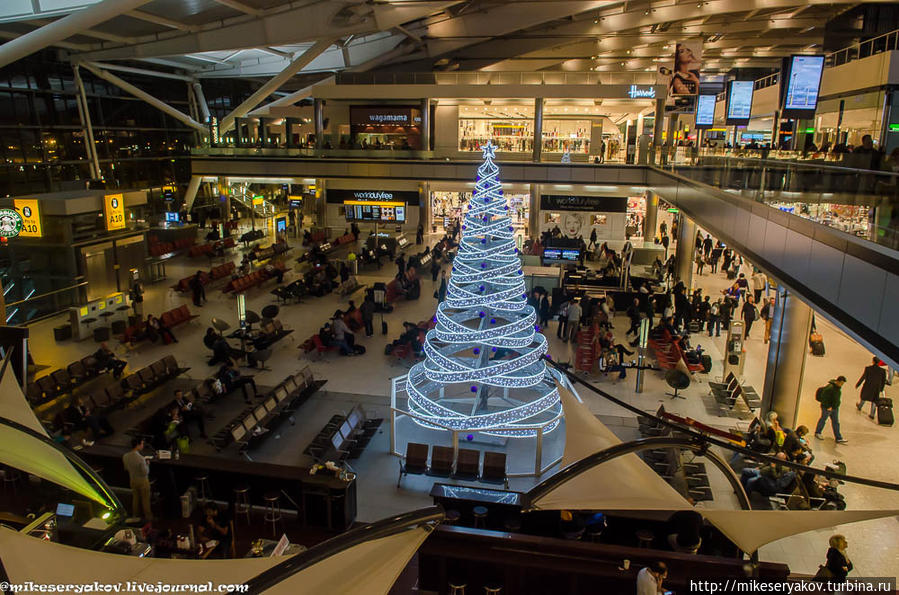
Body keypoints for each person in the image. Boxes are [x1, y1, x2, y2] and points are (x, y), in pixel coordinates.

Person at [122, 437, 152, 522]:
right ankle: (148, 518)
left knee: (135, 499)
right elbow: (145, 472)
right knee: (145, 500)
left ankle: (135, 516)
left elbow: (126, 468)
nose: (142, 445)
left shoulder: (125, 456)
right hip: (142, 481)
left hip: (132, 480)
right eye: (142, 444)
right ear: (138, 445)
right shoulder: (141, 459)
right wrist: (147, 464)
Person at [814, 376, 848, 444]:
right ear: (838, 381)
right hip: (828, 408)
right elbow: (824, 398)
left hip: (835, 408)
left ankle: (838, 437)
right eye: (841, 383)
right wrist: (828, 406)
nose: (842, 385)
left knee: (836, 422)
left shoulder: (837, 388)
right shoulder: (830, 388)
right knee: (823, 419)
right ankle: (818, 432)